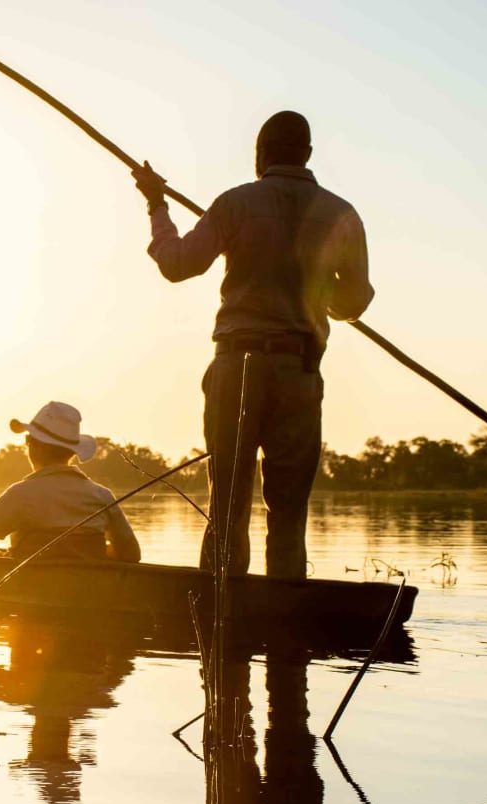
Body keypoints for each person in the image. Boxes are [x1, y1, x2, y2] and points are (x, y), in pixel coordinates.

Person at [131, 110, 373, 579]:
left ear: (260, 155)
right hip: (299, 372)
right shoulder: (341, 214)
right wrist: (318, 288)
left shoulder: (236, 204)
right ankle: (286, 636)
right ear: (307, 155)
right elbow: (354, 302)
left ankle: (220, 627)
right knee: (289, 514)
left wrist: (156, 205)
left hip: (236, 366)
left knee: (227, 508)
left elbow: (178, 264)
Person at [0, 401, 140, 563]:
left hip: (29, 592)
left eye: (28, 440)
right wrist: (88, 553)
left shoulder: (19, 494)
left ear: (36, 447)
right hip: (89, 593)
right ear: (72, 452)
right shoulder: (102, 496)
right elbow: (131, 554)